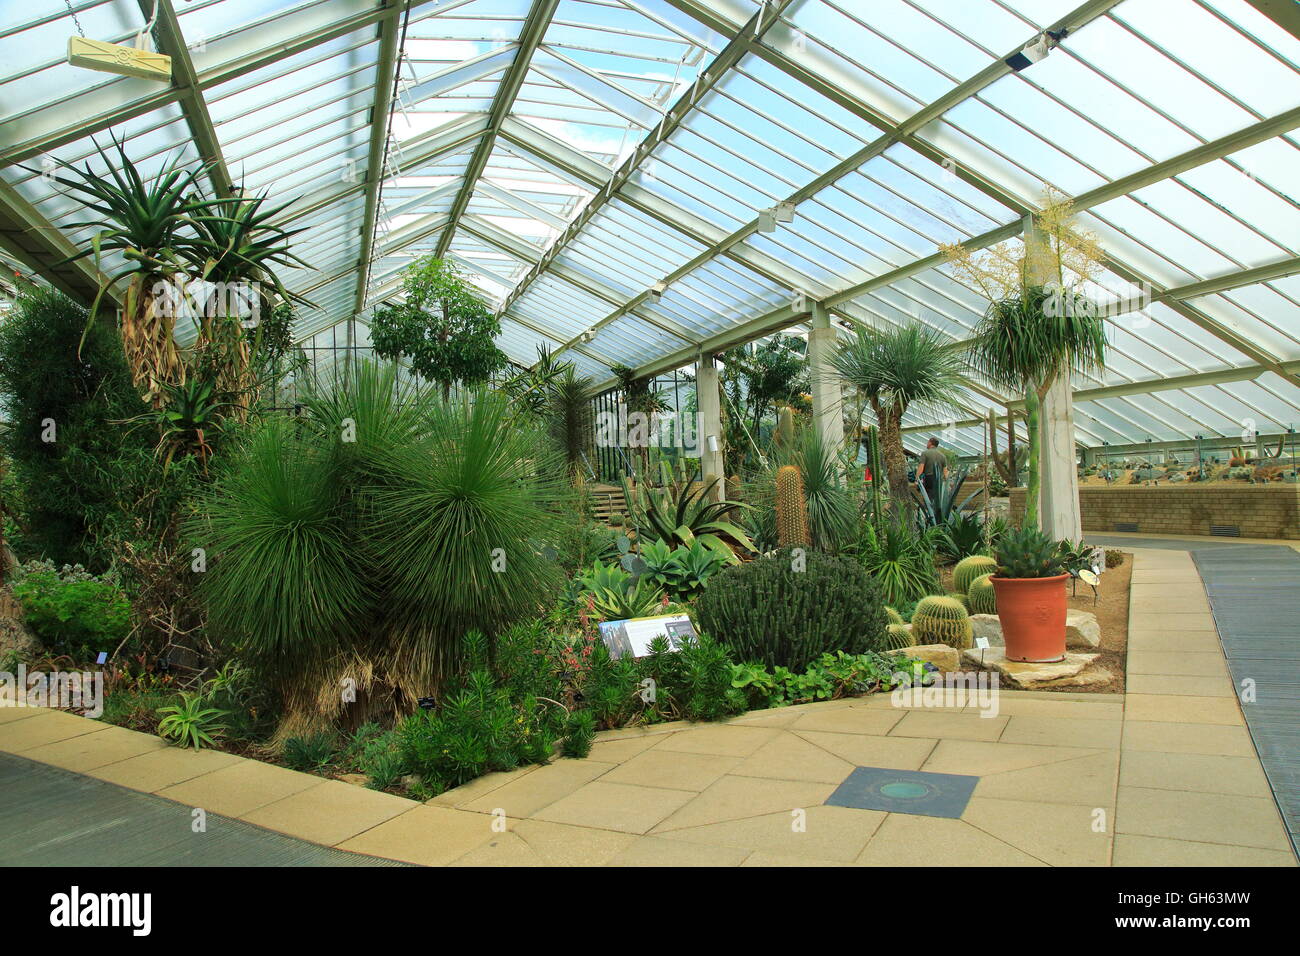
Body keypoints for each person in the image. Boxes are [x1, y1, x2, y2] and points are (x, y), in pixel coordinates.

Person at [915, 437, 949, 513]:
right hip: (939, 480)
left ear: (930, 443)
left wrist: (917, 480)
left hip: (929, 478)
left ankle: (929, 516)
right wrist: (947, 484)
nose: (927, 444)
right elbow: (945, 472)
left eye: (927, 442)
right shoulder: (942, 456)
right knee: (937, 498)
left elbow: (921, 467)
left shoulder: (925, 453)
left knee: (928, 498)